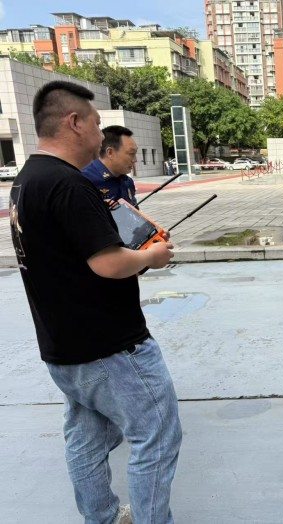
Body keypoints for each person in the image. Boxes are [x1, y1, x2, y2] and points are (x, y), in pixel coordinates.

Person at [8, 80, 181, 523]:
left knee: (86, 440)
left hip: (64, 346)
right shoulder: (69, 185)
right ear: (74, 122)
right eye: (97, 124)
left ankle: (101, 517)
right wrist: (152, 256)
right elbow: (109, 263)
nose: (100, 134)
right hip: (109, 346)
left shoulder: (27, 180)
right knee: (157, 435)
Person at [82, 125, 139, 207]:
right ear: (110, 153)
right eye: (131, 153)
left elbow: (134, 210)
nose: (135, 160)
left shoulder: (127, 181)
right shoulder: (84, 181)